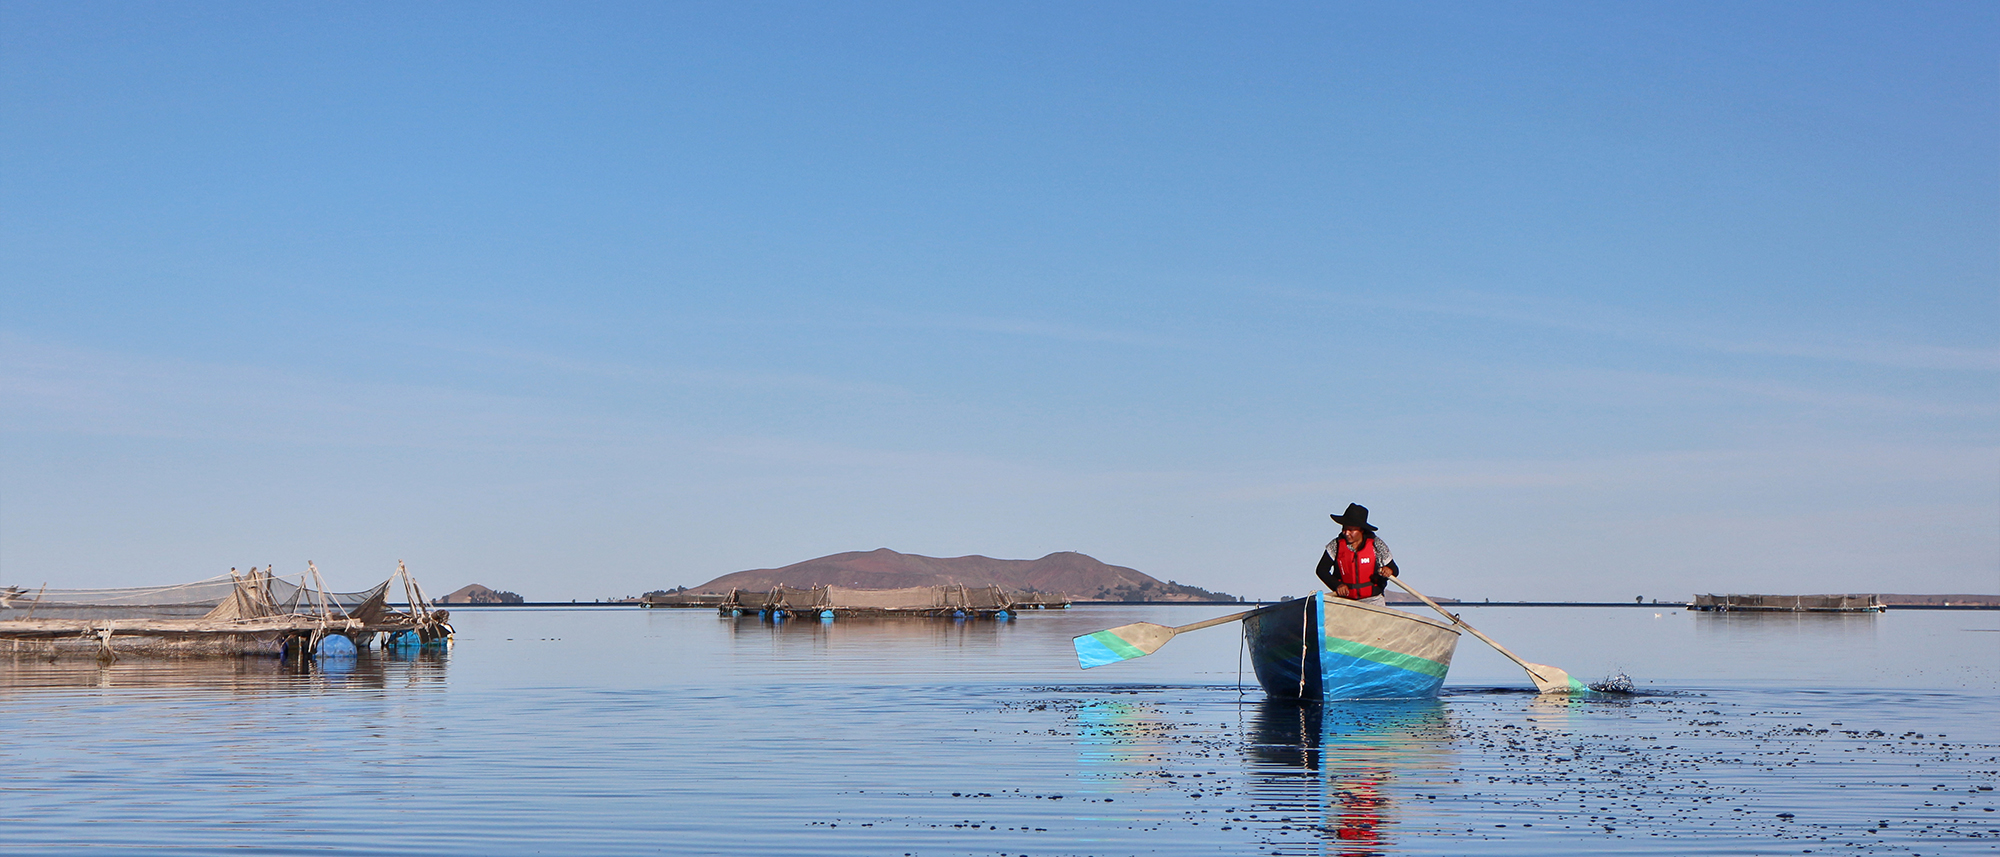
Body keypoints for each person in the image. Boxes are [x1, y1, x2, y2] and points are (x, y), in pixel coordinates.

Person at [1316, 503, 1399, 605]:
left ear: (1361, 530)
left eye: (1351, 530)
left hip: (1374, 600)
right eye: (1344, 529)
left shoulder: (1376, 544)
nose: (1346, 533)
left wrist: (1389, 570)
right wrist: (1337, 585)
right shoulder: (1335, 545)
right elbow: (1321, 570)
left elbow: (1394, 569)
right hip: (1345, 600)